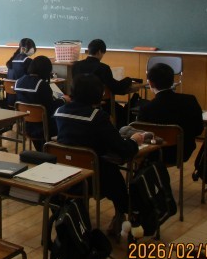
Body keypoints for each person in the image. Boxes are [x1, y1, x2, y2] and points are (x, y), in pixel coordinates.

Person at [54, 73, 144, 236]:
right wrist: (134, 141)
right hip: (93, 179)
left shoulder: (59, 112)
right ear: (98, 94)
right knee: (114, 172)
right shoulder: (97, 117)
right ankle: (125, 213)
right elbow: (121, 148)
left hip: (66, 176)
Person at [138, 63, 204, 165]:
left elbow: (142, 138)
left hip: (155, 153)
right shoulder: (190, 100)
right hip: (183, 151)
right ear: (172, 81)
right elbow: (199, 130)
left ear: (151, 83)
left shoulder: (146, 109)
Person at [72, 39, 133, 126]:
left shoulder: (76, 65)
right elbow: (115, 88)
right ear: (100, 52)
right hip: (100, 104)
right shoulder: (103, 68)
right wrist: (128, 80)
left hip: (78, 103)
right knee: (124, 113)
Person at [14, 56, 67, 150]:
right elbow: (49, 108)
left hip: (26, 126)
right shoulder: (42, 84)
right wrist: (63, 100)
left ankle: (41, 151)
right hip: (44, 127)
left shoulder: (18, 82)